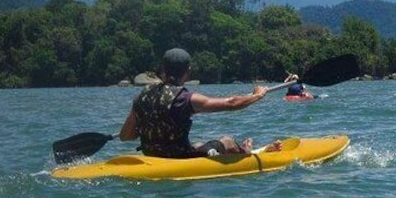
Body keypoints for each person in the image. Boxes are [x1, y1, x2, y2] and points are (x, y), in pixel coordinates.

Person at [119, 48, 278, 158]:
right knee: (227, 141)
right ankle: (247, 154)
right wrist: (258, 95)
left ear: (163, 71)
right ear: (188, 72)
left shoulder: (142, 96)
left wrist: (151, 126)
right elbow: (231, 103)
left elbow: (125, 136)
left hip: (152, 157)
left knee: (200, 144)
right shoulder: (185, 98)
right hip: (179, 159)